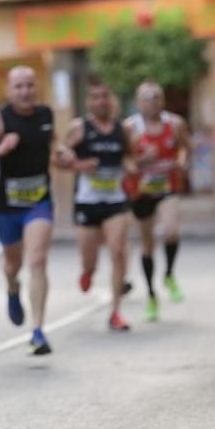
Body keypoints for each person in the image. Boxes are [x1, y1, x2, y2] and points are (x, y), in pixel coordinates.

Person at [0, 66, 57, 355]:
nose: (25, 91)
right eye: (19, 86)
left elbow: (52, 145)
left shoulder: (46, 115)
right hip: (8, 206)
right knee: (12, 265)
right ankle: (12, 288)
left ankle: (38, 331)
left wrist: (62, 154)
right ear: (9, 90)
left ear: (36, 87)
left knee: (38, 260)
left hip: (39, 201)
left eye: (30, 85)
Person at [56, 75, 133, 331]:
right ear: (88, 102)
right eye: (96, 97)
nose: (101, 102)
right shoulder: (79, 129)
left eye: (105, 96)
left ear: (111, 100)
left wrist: (133, 166)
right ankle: (87, 271)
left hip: (115, 201)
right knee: (90, 259)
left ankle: (116, 312)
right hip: (87, 202)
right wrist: (79, 165)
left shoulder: (122, 130)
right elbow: (58, 161)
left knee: (118, 251)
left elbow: (130, 158)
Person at [124, 81, 192, 322]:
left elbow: (185, 148)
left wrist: (183, 161)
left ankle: (170, 274)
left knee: (172, 231)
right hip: (141, 192)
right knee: (147, 245)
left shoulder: (174, 124)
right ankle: (152, 295)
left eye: (156, 98)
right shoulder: (130, 128)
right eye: (146, 98)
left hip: (167, 186)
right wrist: (142, 161)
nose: (151, 103)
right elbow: (125, 161)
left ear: (162, 101)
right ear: (138, 102)